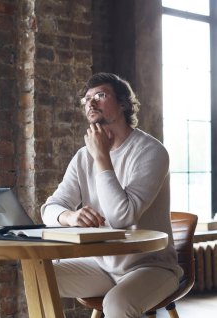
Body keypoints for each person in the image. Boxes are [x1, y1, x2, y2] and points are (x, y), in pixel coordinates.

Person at [41, 72, 183, 318]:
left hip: (152, 266)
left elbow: (121, 217)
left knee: (117, 304)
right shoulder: (83, 157)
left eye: (100, 95)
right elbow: (50, 208)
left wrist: (102, 157)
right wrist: (70, 216)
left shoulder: (152, 152)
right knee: (40, 275)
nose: (91, 103)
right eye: (87, 99)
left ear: (123, 104)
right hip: (102, 266)